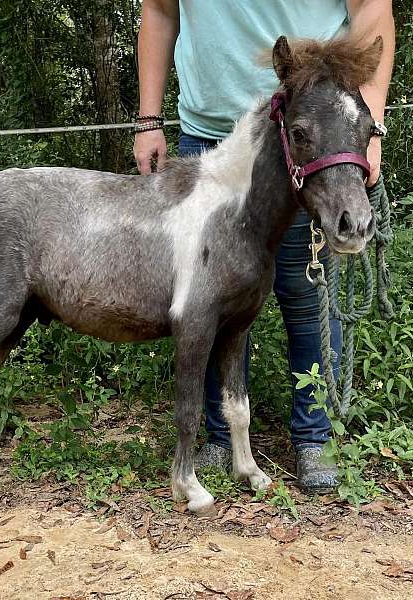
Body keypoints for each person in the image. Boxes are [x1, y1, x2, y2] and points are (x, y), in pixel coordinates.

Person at [134, 1, 394, 493]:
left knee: (305, 293)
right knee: (212, 302)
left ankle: (315, 438)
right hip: (210, 139)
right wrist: (149, 119)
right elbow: (160, 11)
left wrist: (367, 126)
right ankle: (219, 434)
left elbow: (373, 11)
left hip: (310, 141)